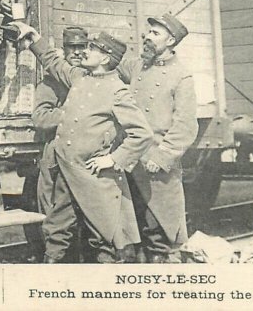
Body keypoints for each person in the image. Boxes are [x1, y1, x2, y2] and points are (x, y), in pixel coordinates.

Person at [14, 22, 154, 263]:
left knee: (103, 232)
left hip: (93, 175)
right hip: (68, 169)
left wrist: (113, 159)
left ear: (105, 58)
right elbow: (54, 62)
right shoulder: (80, 77)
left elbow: (142, 133)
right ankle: (51, 271)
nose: (84, 52)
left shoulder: (117, 91)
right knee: (56, 226)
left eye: (92, 49)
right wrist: (35, 38)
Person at [117, 14, 199, 263]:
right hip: (131, 162)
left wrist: (162, 156)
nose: (147, 37)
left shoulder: (181, 76)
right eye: (148, 32)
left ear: (171, 40)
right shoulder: (137, 66)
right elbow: (109, 62)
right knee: (134, 231)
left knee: (159, 232)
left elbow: (185, 125)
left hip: (157, 167)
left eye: (155, 33)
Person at [31, 26, 88, 261]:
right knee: (55, 214)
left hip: (84, 155)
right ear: (64, 50)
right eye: (71, 48)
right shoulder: (51, 82)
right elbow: (41, 119)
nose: (76, 52)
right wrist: (77, 112)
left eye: (81, 48)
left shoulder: (89, 77)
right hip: (56, 157)